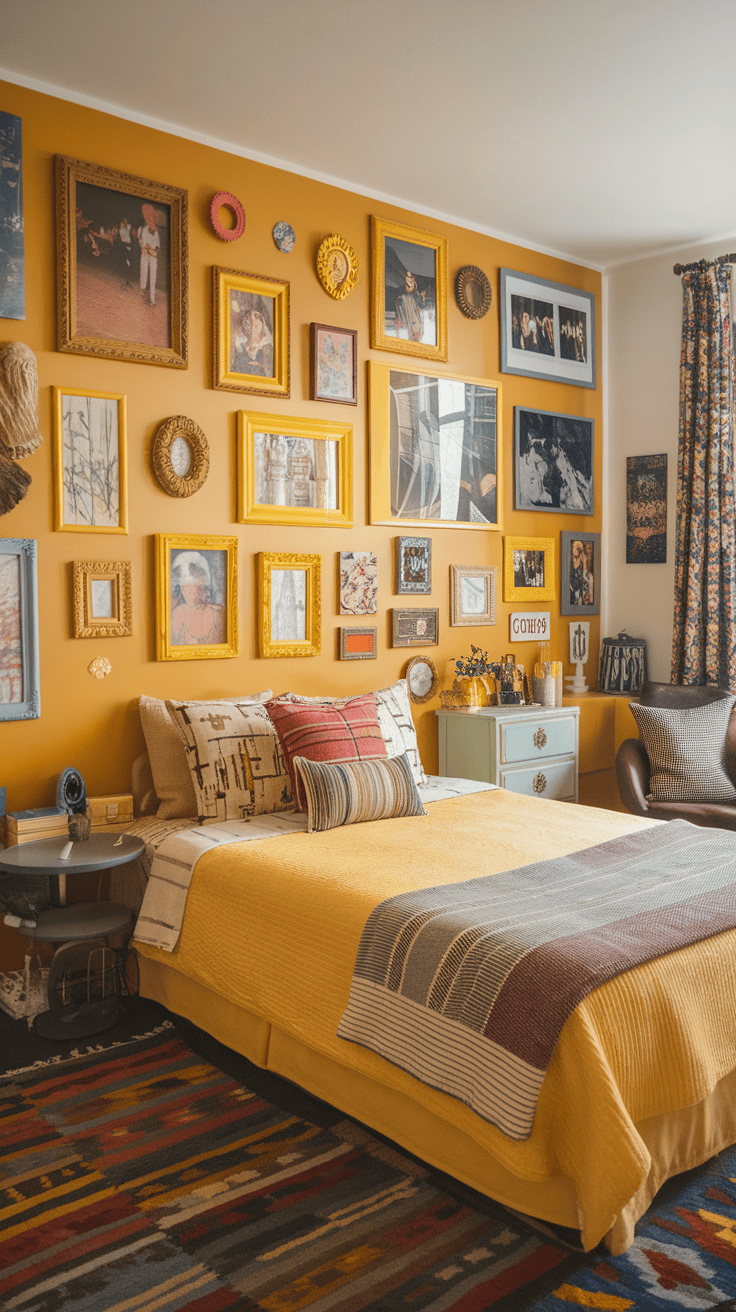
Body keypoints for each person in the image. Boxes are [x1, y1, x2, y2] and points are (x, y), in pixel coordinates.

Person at [170, 551, 226, 646]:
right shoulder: (176, 614)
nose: (187, 593)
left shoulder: (218, 614)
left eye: (199, 588)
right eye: (184, 589)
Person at [138, 203, 160, 305]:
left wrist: (153, 247)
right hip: (145, 254)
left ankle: (152, 299)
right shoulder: (143, 229)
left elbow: (157, 244)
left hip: (153, 256)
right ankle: (143, 289)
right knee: (144, 272)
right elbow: (141, 242)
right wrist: (144, 245)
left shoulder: (156, 231)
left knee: (153, 277)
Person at [394, 269, 423, 341]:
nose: (410, 279)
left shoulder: (417, 294)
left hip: (414, 320)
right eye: (408, 277)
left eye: (411, 277)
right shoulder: (401, 293)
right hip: (406, 318)